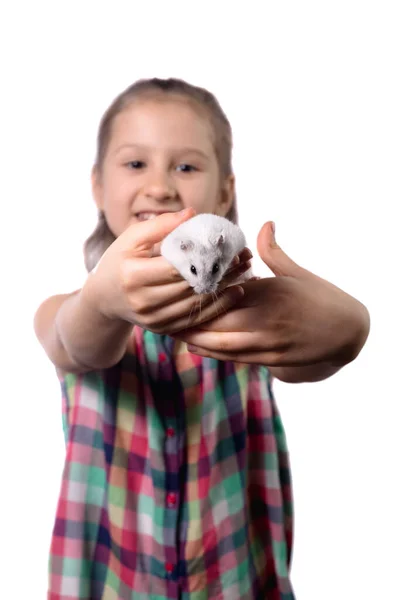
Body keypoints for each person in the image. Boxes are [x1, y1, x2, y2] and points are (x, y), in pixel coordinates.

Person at [34, 78, 370, 600]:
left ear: (225, 192)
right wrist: (102, 300)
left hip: (235, 579)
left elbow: (300, 360)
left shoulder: (249, 308)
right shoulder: (77, 311)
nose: (161, 186)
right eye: (135, 163)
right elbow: (72, 340)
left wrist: (349, 330)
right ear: (97, 186)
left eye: (186, 166)